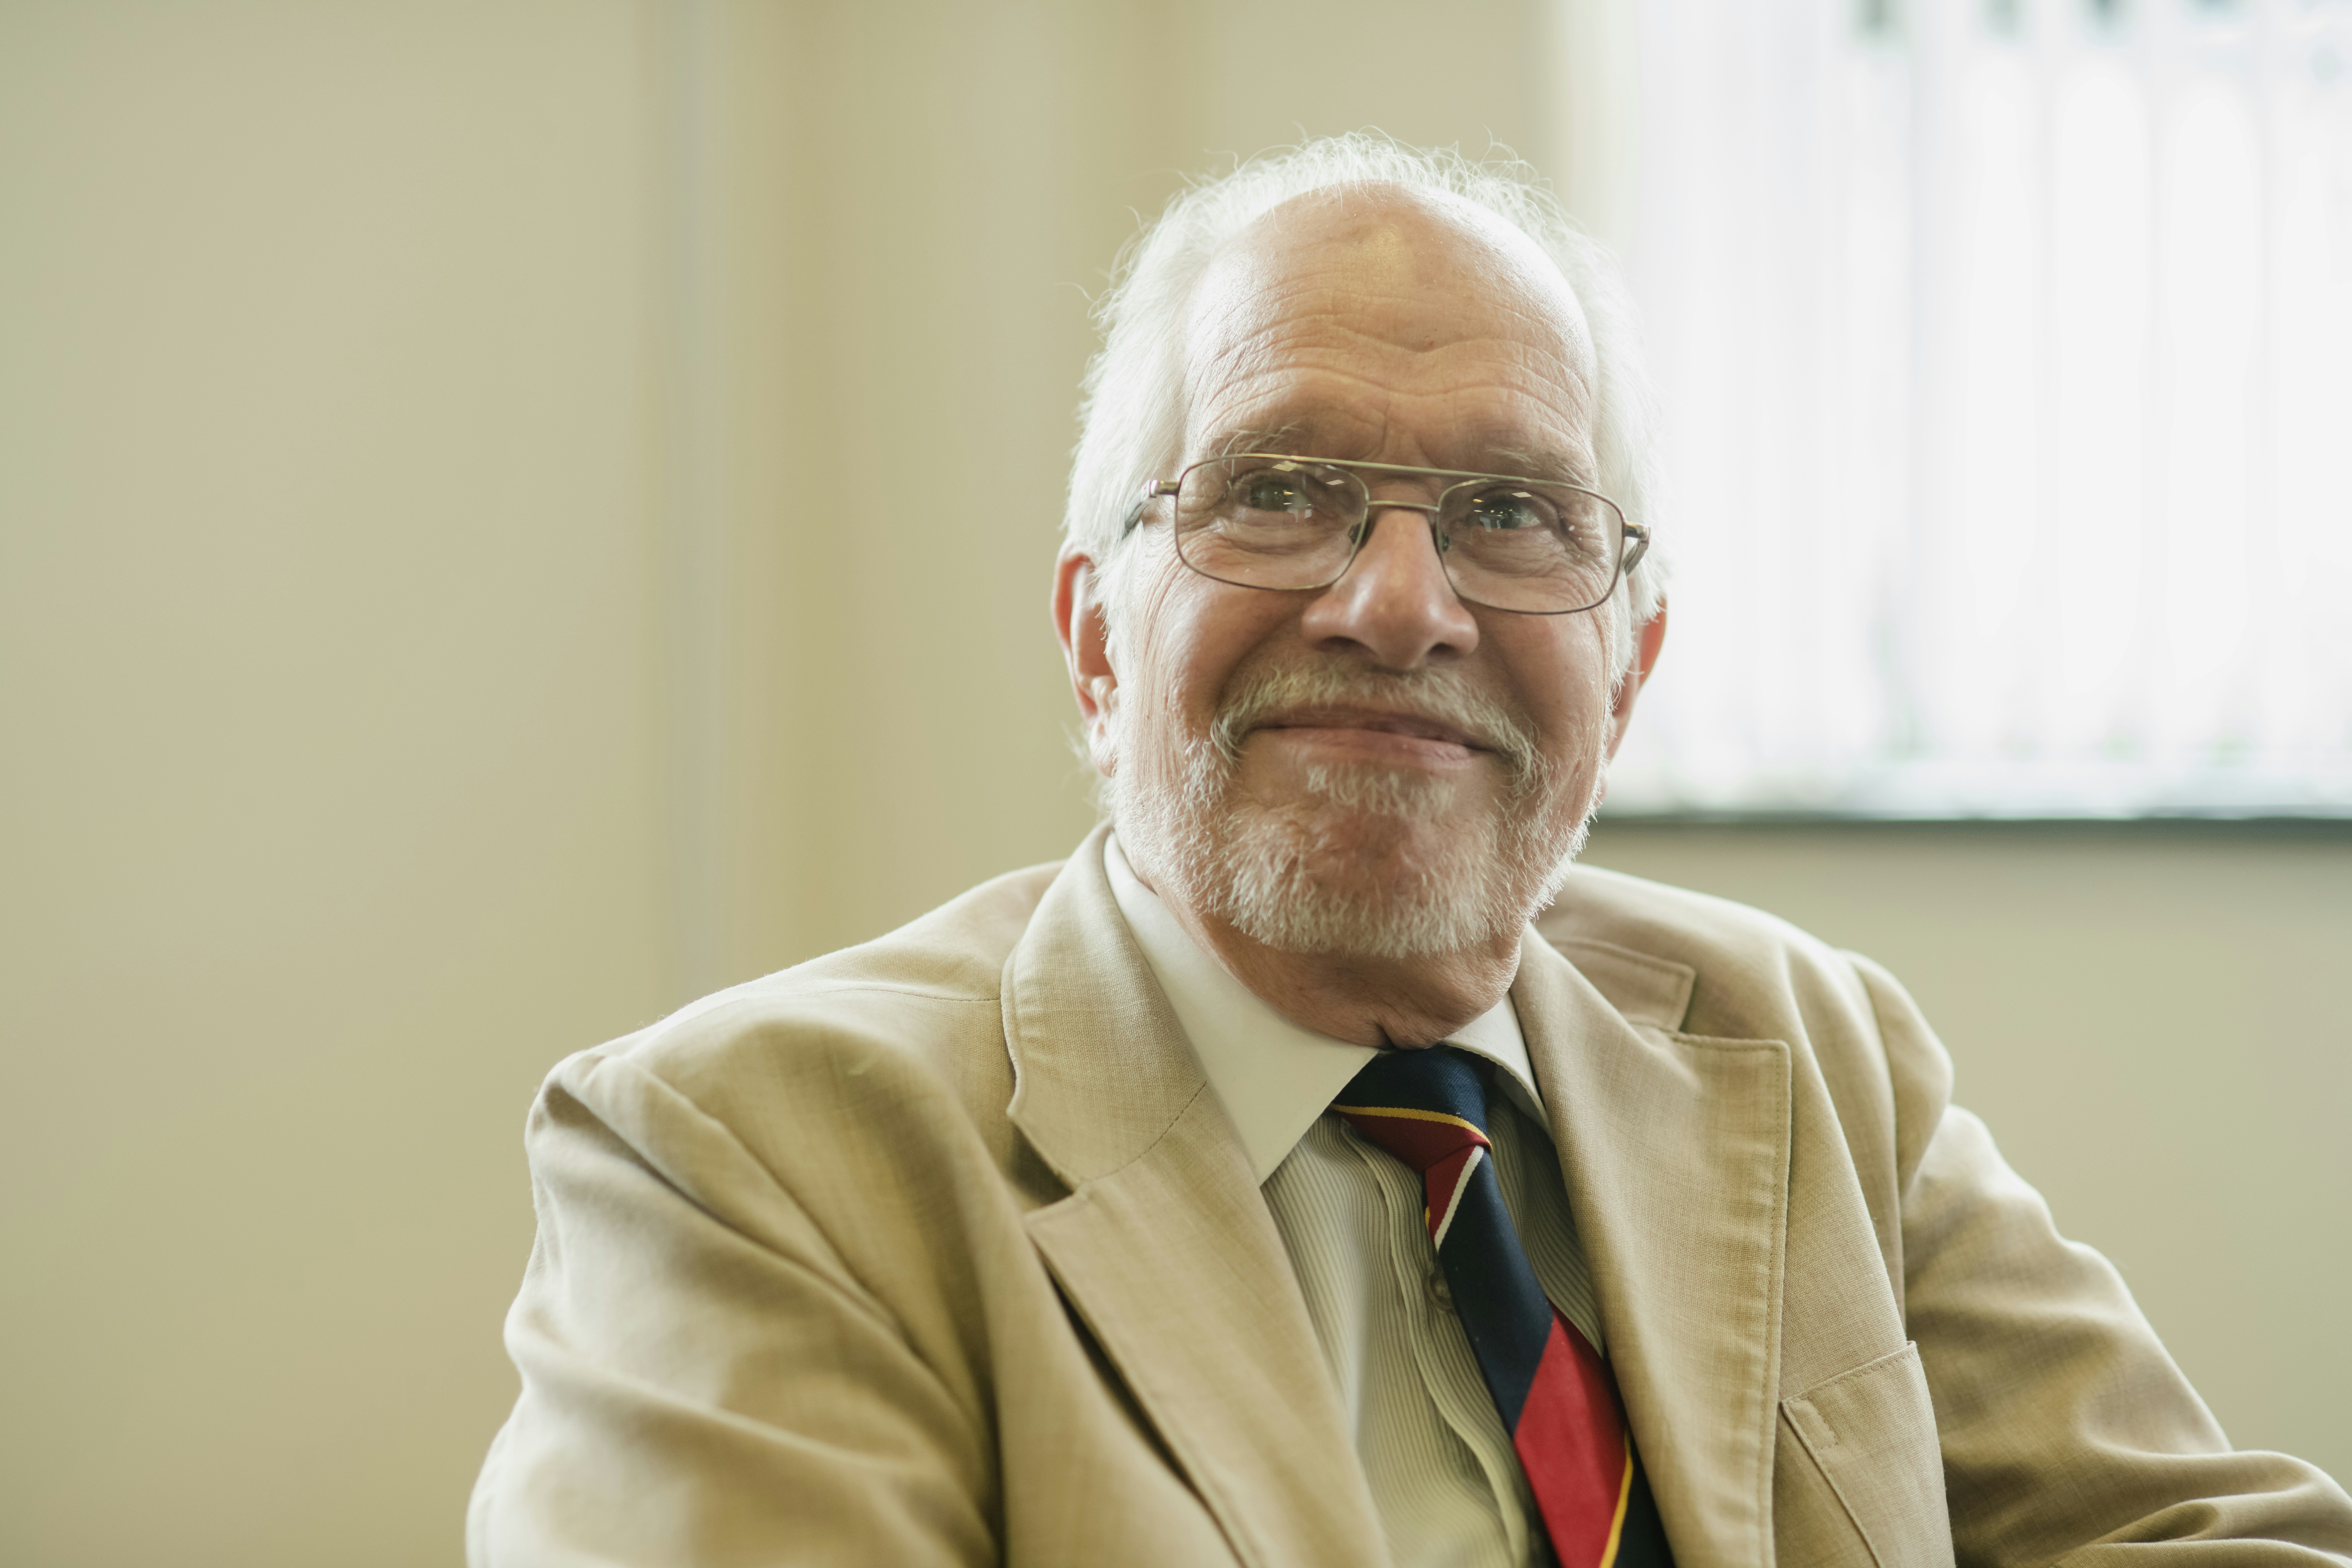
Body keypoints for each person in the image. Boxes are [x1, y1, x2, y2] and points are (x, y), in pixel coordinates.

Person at [467, 137, 2352, 1567]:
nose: (1396, 602)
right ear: (1097, 641)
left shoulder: (1813, 1053)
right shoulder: (752, 1158)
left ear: (1632, 664)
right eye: (1276, 489)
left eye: (1515, 512)